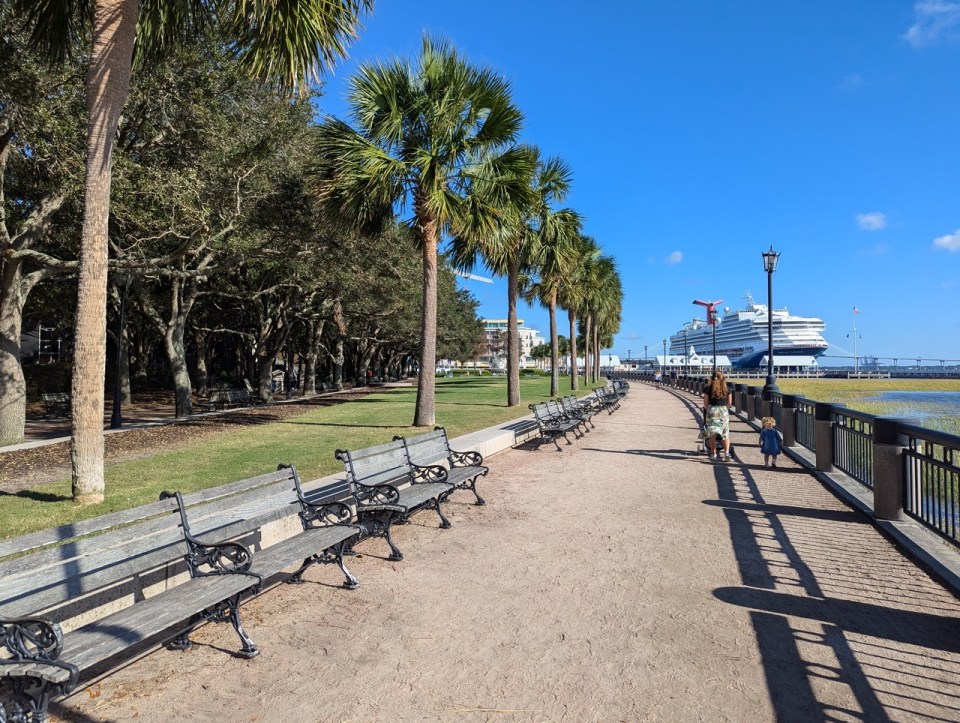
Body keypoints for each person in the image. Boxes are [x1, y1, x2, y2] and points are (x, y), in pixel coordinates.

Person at [702, 370, 733, 462]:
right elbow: (729, 403)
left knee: (712, 433)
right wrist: (724, 409)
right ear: (723, 378)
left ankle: (713, 454)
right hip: (723, 410)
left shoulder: (709, 388)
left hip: (712, 410)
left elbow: (705, 403)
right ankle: (726, 452)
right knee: (725, 433)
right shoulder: (727, 388)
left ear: (712, 378)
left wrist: (710, 409)